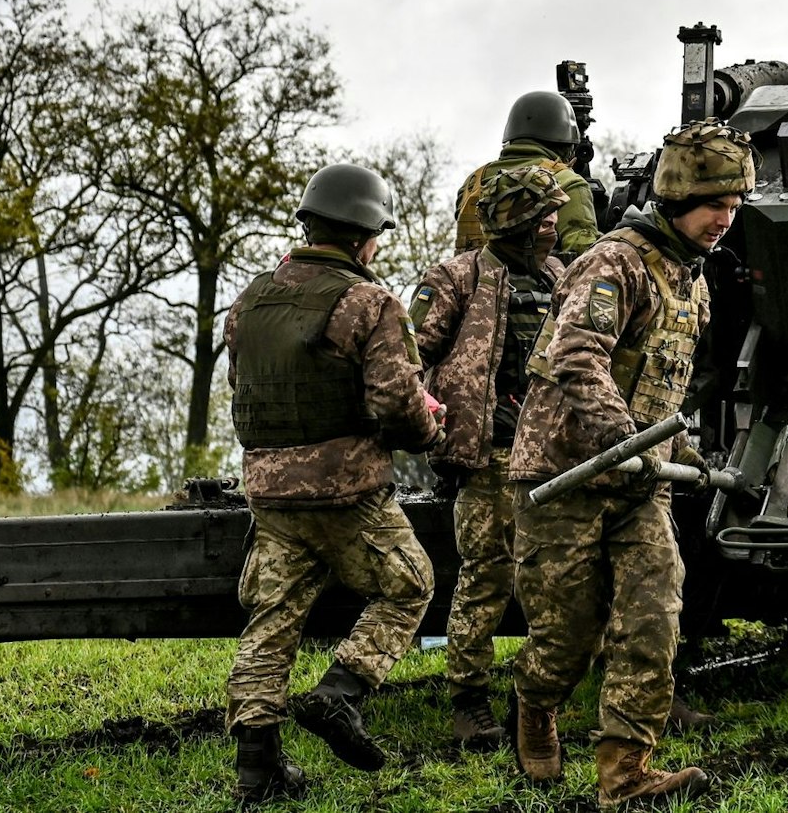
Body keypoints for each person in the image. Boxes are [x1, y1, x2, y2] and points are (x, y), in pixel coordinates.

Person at [506, 119, 754, 806]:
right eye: (714, 206)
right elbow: (577, 357)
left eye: (734, 209)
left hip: (638, 484)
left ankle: (625, 773)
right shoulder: (614, 263)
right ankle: (535, 705)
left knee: (653, 616)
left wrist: (685, 455)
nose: (723, 222)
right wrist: (629, 440)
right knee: (567, 637)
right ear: (677, 197)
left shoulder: (692, 281)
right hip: (565, 476)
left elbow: (664, 385)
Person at [222, 163, 444, 802]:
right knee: (411, 586)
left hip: (268, 491)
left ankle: (257, 767)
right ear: (361, 235)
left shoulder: (249, 301)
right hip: (347, 492)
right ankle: (340, 694)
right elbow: (400, 406)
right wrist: (430, 428)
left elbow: (247, 388)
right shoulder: (370, 303)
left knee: (273, 618)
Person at [408, 165, 568, 750]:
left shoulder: (560, 275)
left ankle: (535, 700)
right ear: (516, 222)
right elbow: (406, 355)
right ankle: (468, 701)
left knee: (554, 579)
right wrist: (424, 424)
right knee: (484, 579)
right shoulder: (457, 277)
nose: (554, 227)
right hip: (487, 456)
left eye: (555, 216)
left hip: (550, 457)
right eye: (543, 217)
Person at [453, 91, 600, 259]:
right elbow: (585, 255)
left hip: (466, 282)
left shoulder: (473, 182)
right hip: (538, 284)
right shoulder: (566, 181)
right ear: (568, 142)